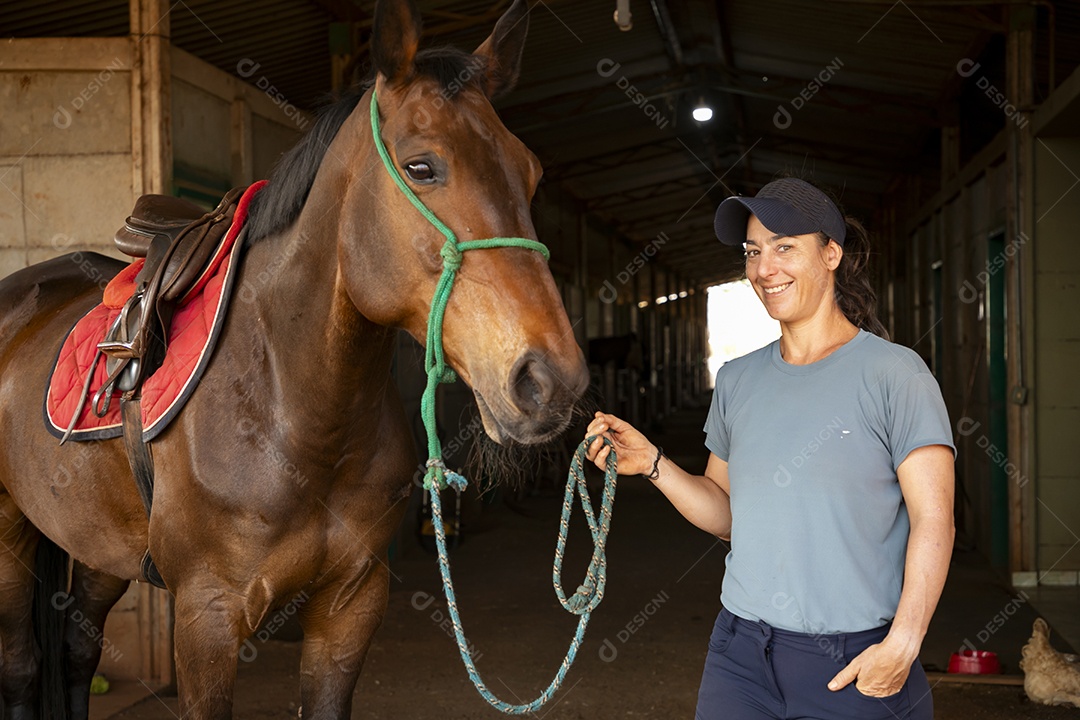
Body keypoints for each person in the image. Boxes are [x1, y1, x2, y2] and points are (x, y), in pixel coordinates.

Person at [586, 178, 955, 720]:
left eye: (784, 247)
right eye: (753, 251)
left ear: (831, 254)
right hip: (740, 658)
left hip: (852, 658)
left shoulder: (895, 375)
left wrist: (903, 642)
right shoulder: (737, 380)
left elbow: (934, 520)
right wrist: (654, 465)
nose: (764, 268)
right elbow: (728, 517)